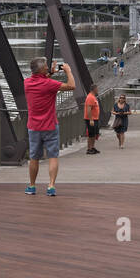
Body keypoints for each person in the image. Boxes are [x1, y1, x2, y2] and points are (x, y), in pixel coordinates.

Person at [24, 57, 75, 197]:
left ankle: (32, 186)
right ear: (42, 69)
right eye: (46, 66)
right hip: (50, 125)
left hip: (34, 126)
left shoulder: (27, 83)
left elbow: (40, 79)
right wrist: (68, 71)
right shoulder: (49, 84)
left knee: (34, 157)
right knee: (53, 156)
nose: (48, 67)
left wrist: (49, 74)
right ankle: (51, 186)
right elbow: (72, 86)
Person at [84, 83, 102, 154]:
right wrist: (91, 119)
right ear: (94, 89)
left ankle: (92, 147)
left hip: (95, 118)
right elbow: (88, 109)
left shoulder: (93, 97)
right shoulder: (90, 97)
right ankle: (89, 149)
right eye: (97, 89)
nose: (98, 90)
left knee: (94, 134)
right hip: (91, 119)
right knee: (91, 134)